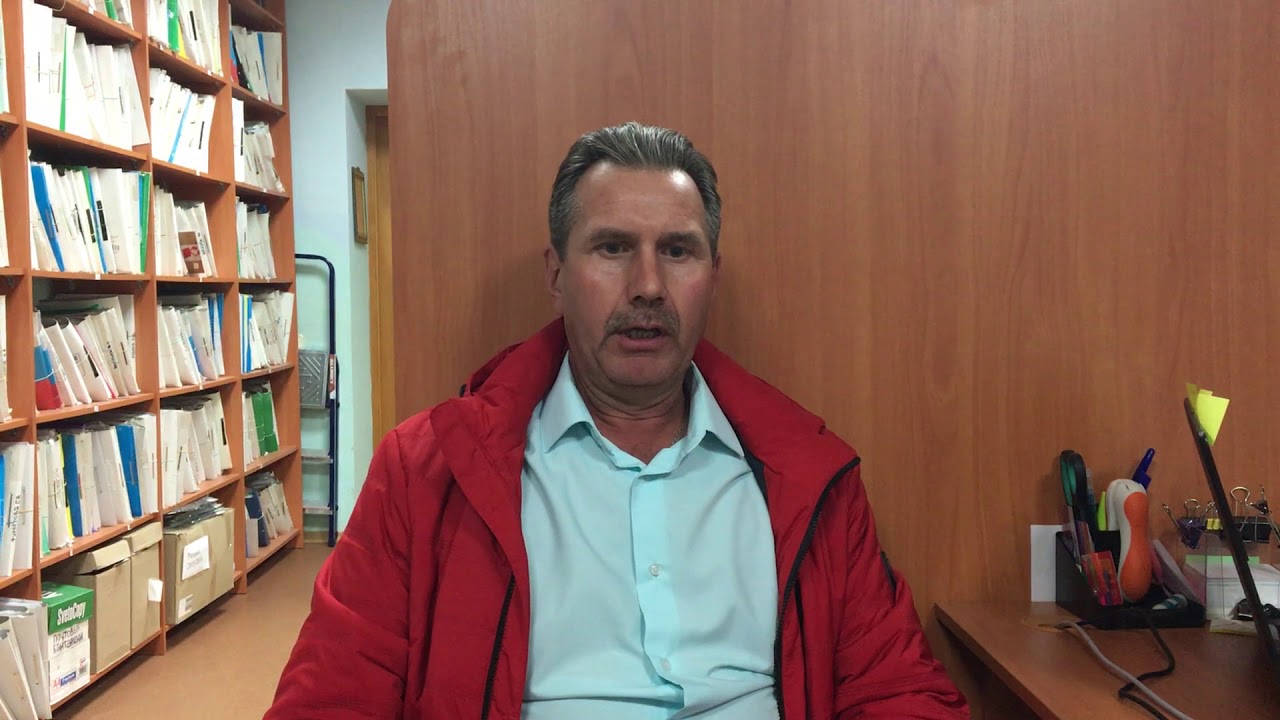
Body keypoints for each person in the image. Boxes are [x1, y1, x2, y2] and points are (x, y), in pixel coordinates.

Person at [265, 122, 968, 720]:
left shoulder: (811, 478)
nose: (648, 287)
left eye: (678, 251)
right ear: (556, 274)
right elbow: (330, 699)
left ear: (712, 277)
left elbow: (897, 690)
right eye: (612, 248)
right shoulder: (428, 474)